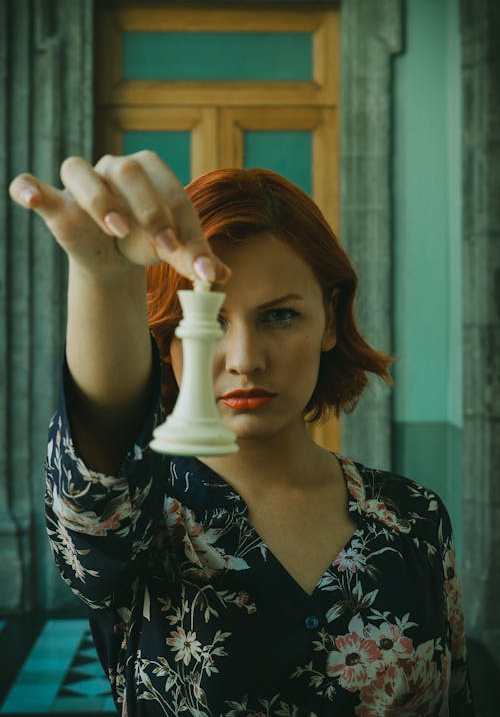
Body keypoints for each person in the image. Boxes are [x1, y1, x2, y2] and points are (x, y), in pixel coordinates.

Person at [10, 151, 474, 716]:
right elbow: (94, 487)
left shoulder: (416, 518)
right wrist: (104, 281)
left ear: (330, 318)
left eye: (279, 316)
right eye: (209, 321)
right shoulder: (147, 517)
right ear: (166, 338)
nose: (245, 360)